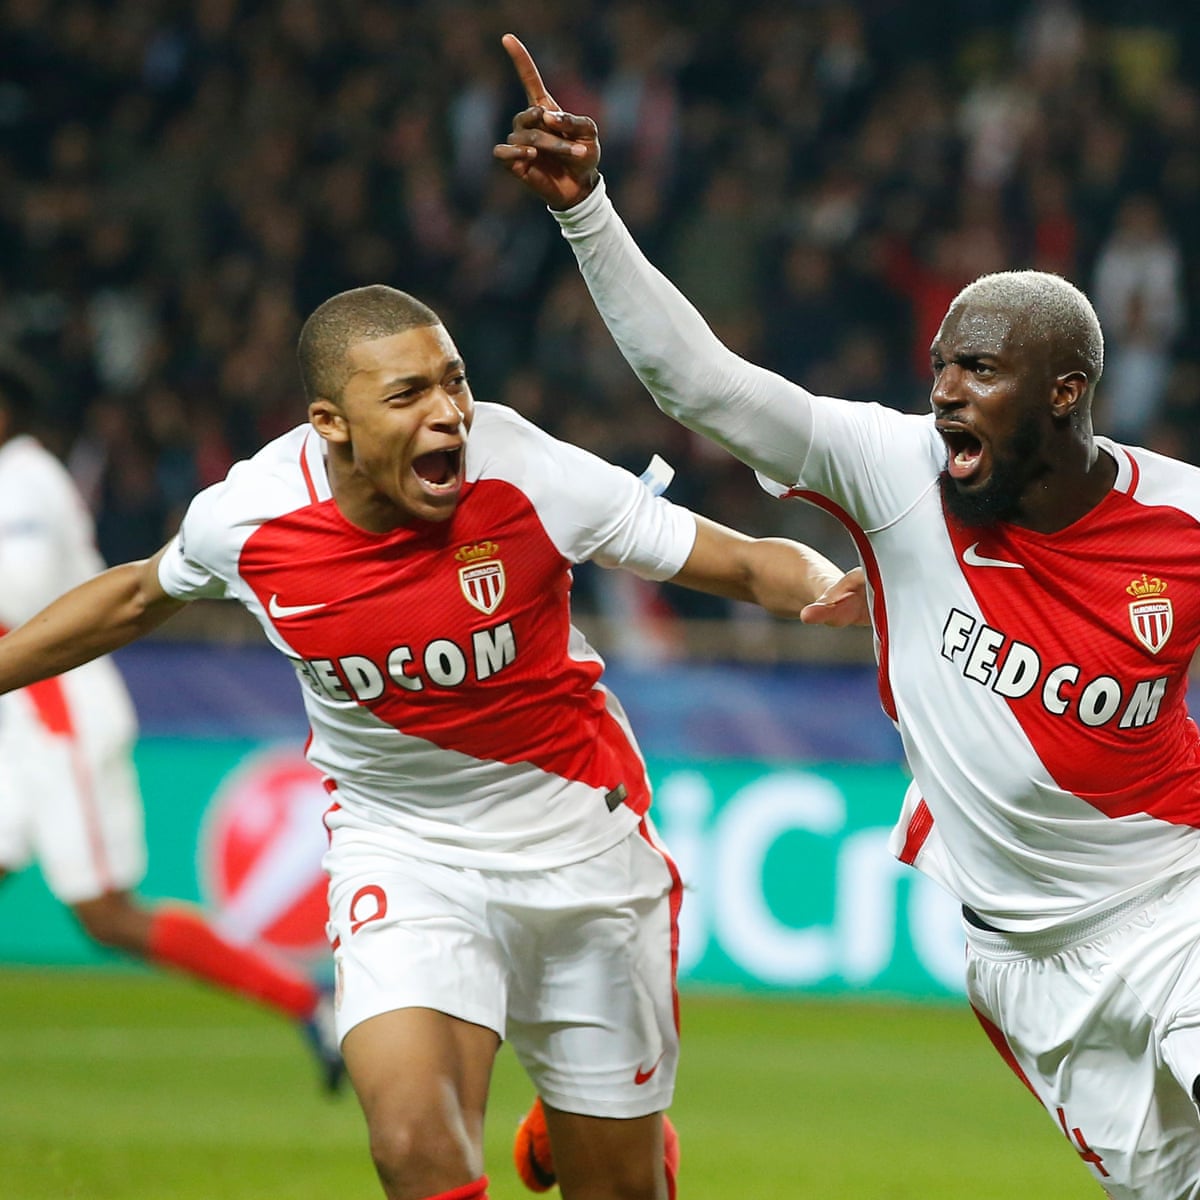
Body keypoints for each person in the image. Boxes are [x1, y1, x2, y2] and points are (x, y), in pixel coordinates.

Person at [495, 33, 1200, 1200]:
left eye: (981, 371)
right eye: (942, 366)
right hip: (1026, 967)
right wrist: (587, 214)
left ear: (1066, 392)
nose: (947, 392)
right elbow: (705, 387)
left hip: (1177, 901)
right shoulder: (897, 472)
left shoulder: (1181, 524)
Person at [0, 286, 865, 1200]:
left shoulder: (528, 471)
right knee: (413, 1143)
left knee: (619, 1187)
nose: (449, 412)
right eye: (408, 394)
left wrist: (842, 590)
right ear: (331, 423)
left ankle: (596, 1126)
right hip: (403, 850)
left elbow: (743, 562)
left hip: (583, 846)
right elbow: (137, 594)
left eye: (455, 382)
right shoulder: (251, 516)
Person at [0, 346, 343, 1092]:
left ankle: (306, 1002)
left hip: (58, 714)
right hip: (19, 718)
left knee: (106, 915)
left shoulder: (22, 478)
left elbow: (20, 595)